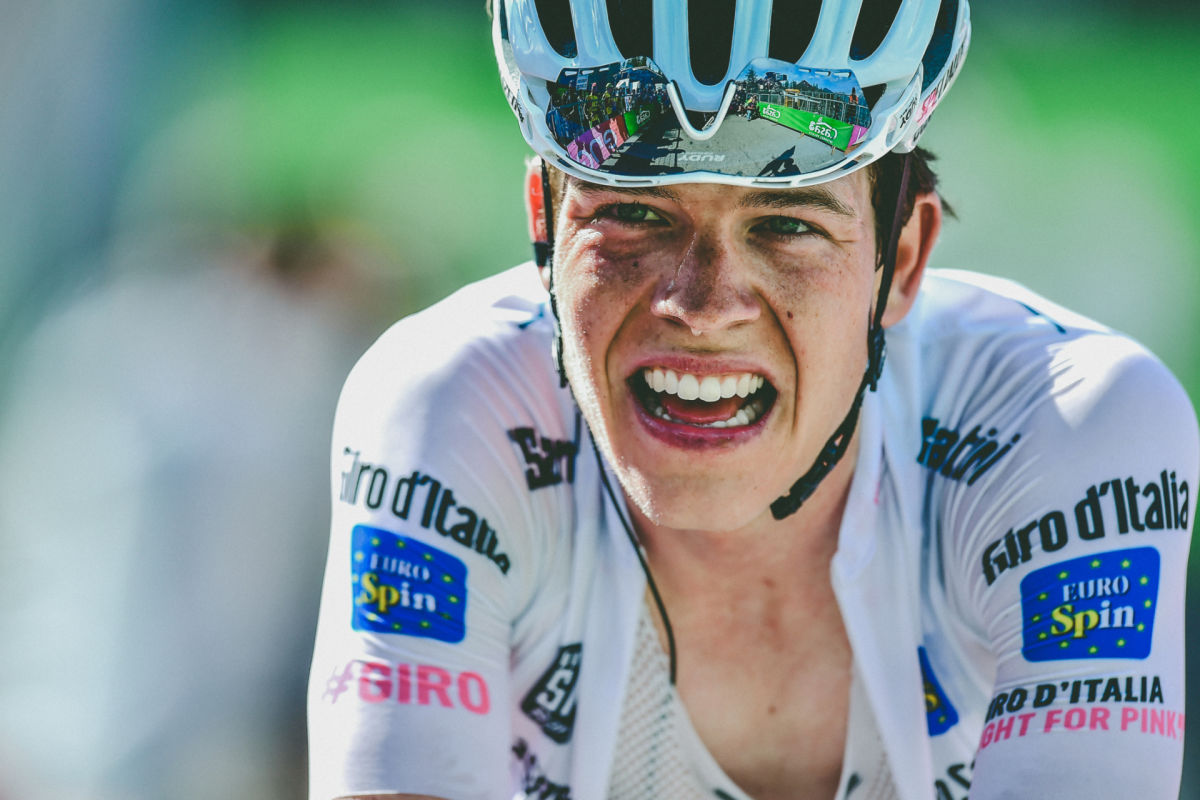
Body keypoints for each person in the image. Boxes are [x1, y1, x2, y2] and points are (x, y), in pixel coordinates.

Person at [307, 2, 1196, 799]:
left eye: (786, 224)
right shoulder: (452, 407)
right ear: (544, 224)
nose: (701, 306)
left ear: (903, 260)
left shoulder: (1063, 425)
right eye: (636, 214)